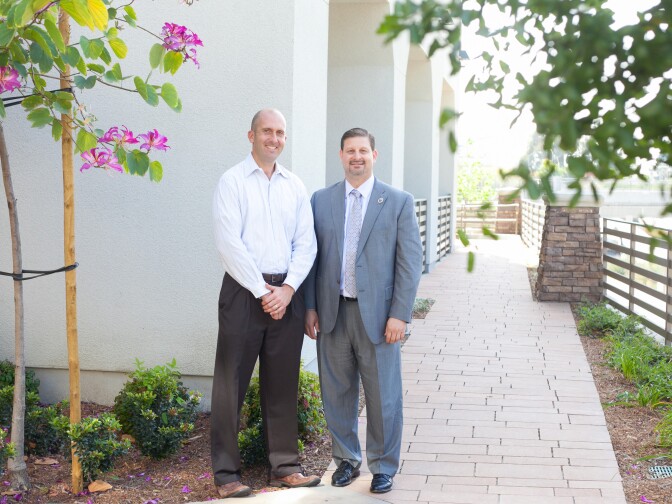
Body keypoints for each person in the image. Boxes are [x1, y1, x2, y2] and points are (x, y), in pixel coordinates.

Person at [304, 127, 423, 494]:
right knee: (336, 392)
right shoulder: (320, 201)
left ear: (374, 155)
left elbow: (410, 262)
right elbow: (310, 257)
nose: (356, 157)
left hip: (380, 317)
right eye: (350, 151)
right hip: (332, 313)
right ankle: (346, 461)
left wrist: (399, 314)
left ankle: (383, 466)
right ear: (340, 155)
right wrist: (309, 306)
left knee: (383, 394)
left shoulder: (398, 201)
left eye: (363, 151)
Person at [211, 109, 319, 499]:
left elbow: (306, 243)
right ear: (251, 134)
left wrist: (288, 290)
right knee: (230, 385)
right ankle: (226, 475)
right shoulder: (232, 181)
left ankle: (285, 467)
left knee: (282, 384)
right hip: (244, 292)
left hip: (287, 294)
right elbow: (229, 244)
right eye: (267, 131)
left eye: (280, 133)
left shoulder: (295, 185)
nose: (274, 138)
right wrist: (261, 291)